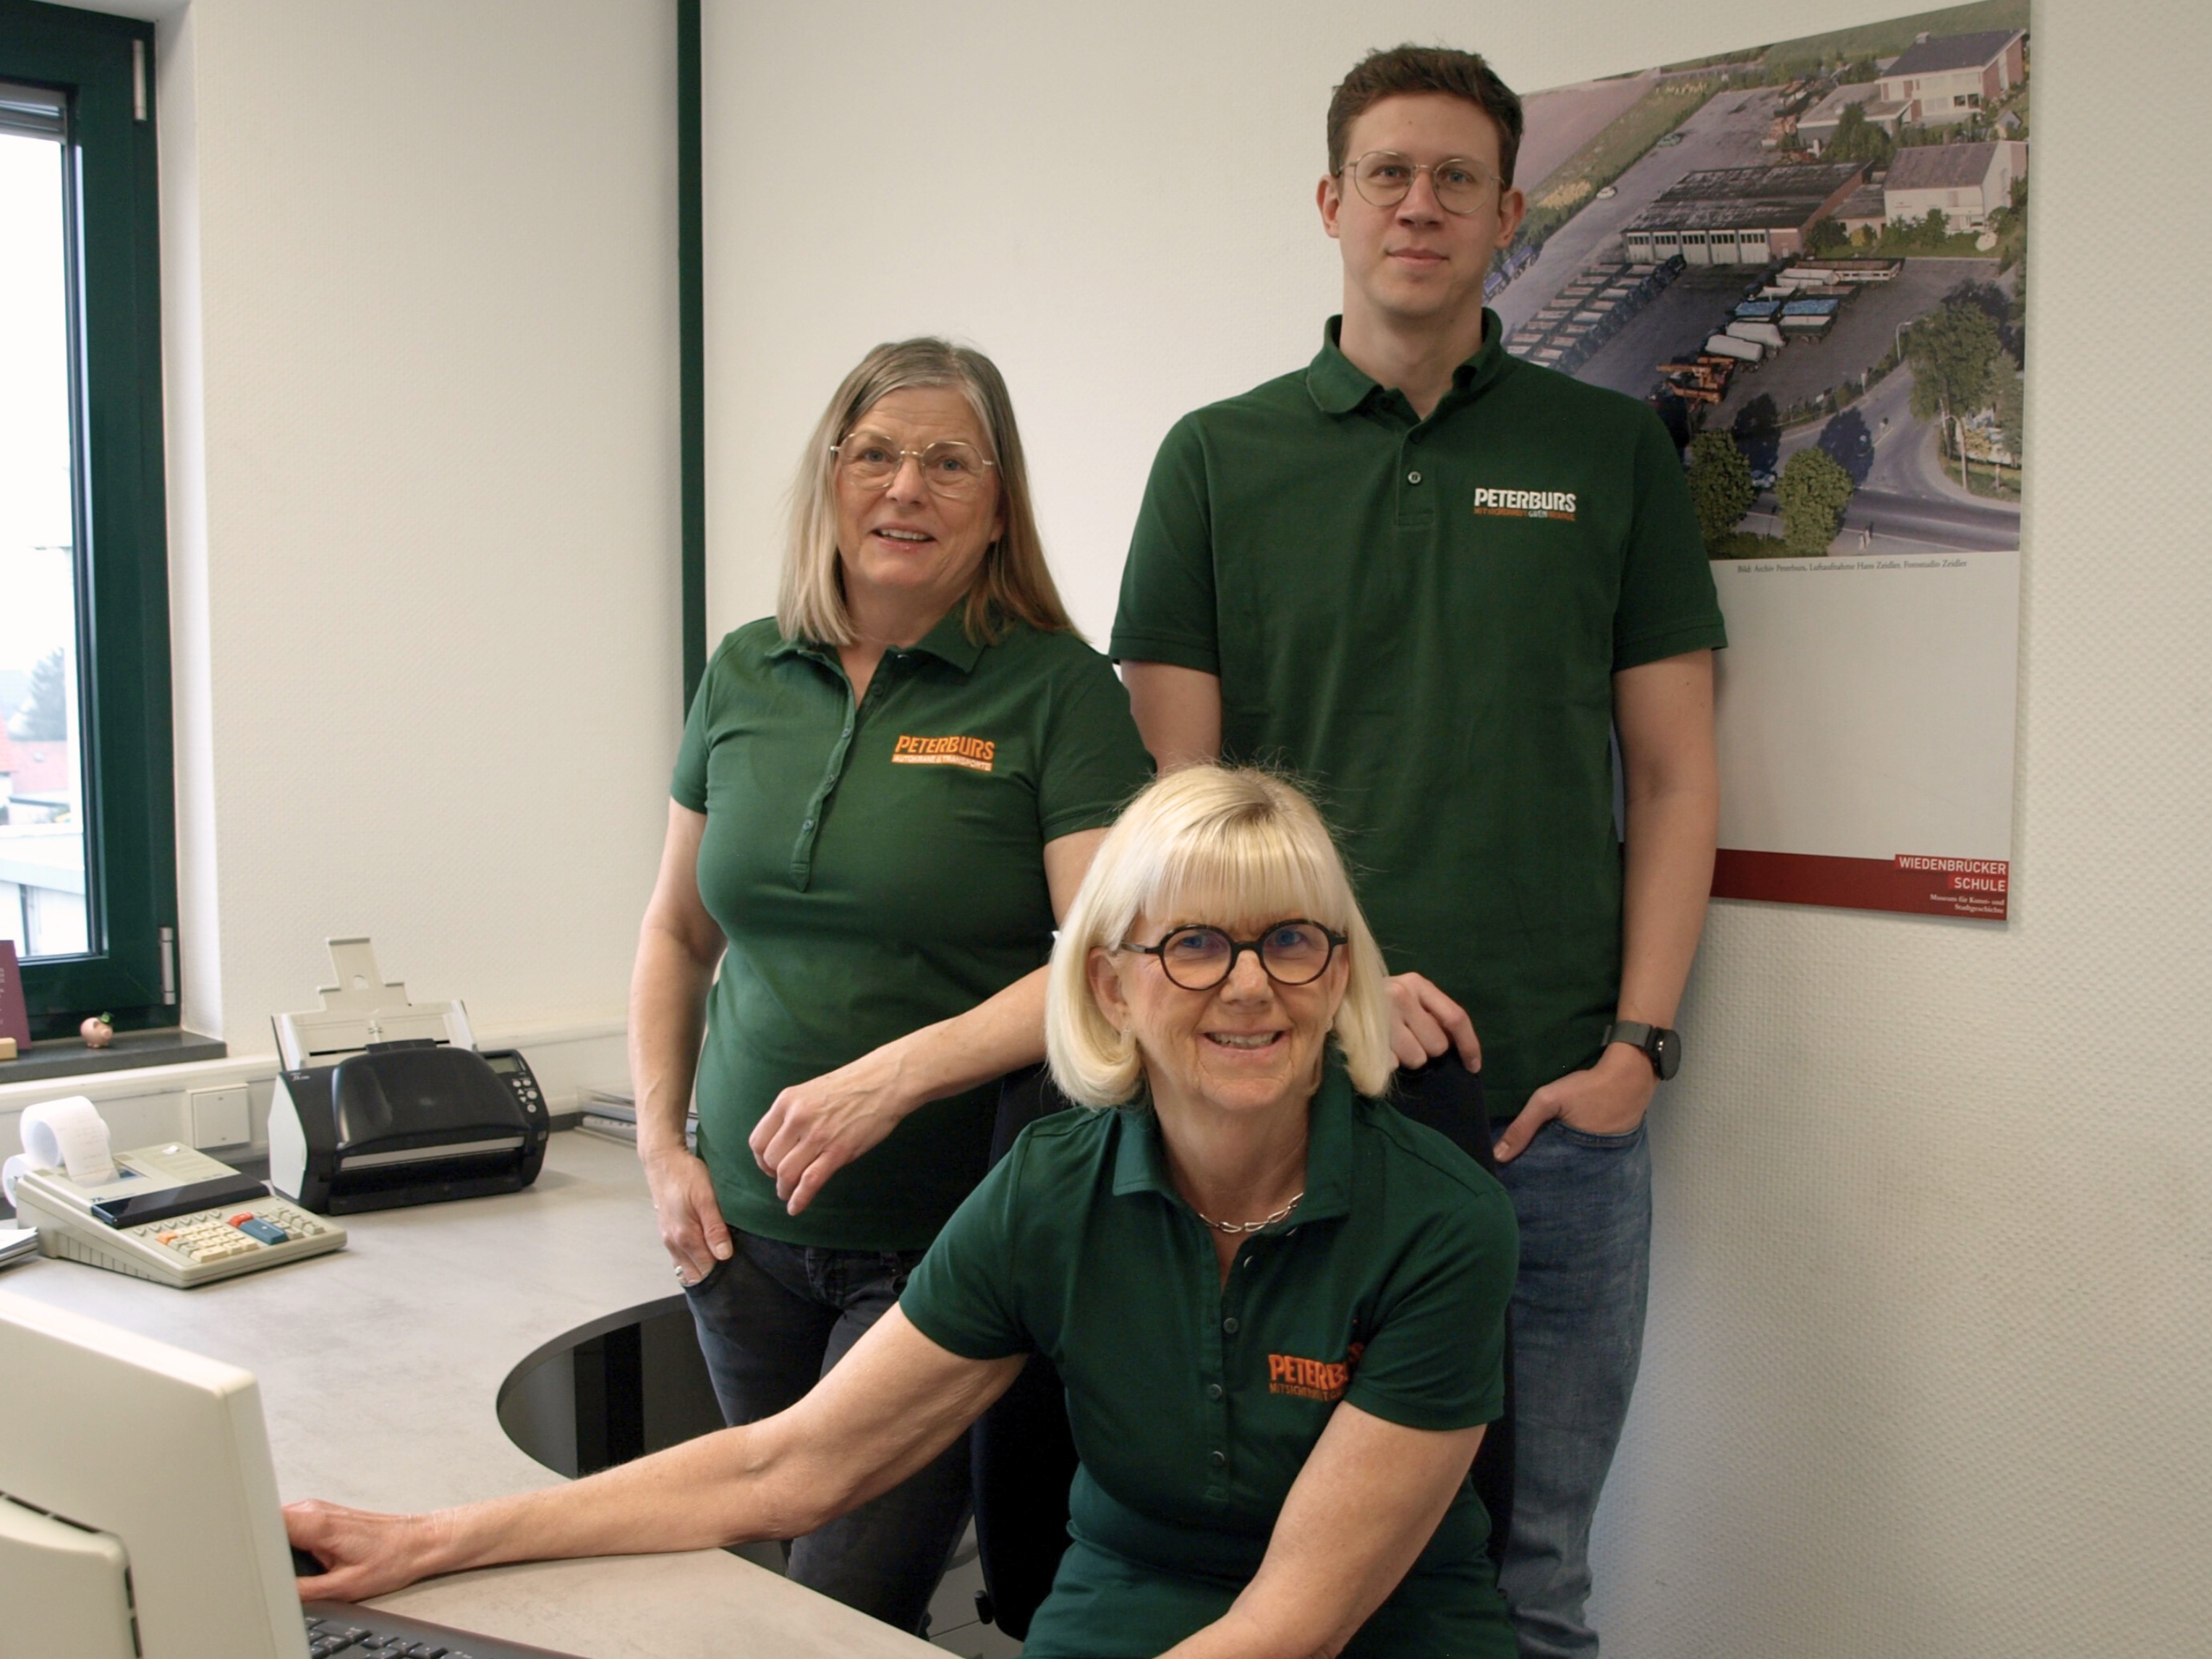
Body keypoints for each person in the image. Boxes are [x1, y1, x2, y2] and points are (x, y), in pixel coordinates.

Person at [286, 765, 1520, 1659]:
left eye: (1291, 940)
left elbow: (1295, 1624)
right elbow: (792, 1463)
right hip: (1129, 1602)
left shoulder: (1439, 1224)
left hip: (1380, 1626)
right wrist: (433, 1542)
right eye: (1193, 944)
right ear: (1110, 985)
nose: (1248, 986)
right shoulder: (1050, 1190)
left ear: (1338, 973)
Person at [1110, 46, 1725, 1659]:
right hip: (1288, 1103)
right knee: (1286, 1578)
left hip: (1548, 1115)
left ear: (1508, 215)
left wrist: (1636, 1050)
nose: (1419, 204)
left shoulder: (1610, 454)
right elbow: (1178, 812)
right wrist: (1336, 991)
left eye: (1458, 178)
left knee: (1533, 1584)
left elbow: (1673, 778)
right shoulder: (1214, 460)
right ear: (1330, 201)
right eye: (1387, 172)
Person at [627, 337, 1152, 1632]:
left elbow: (1106, 965)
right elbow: (678, 934)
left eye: (946, 462)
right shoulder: (745, 669)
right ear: (831, 478)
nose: (904, 487)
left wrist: (894, 1077)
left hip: (938, 1242)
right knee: (780, 1591)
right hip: (739, 1237)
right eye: (873, 453)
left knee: (842, 1611)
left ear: (997, 503)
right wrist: (661, 1148)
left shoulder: (1057, 690)